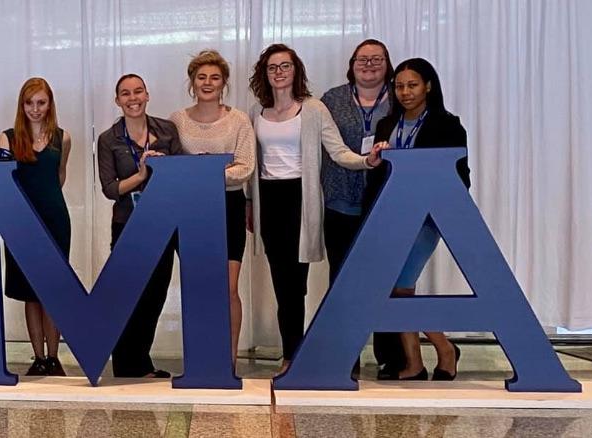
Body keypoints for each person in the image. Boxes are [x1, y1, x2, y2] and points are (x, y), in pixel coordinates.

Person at [246, 43, 382, 374]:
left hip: (300, 200)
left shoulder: (314, 109)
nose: (279, 73)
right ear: (265, 73)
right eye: (272, 67)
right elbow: (251, 163)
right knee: (282, 283)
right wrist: (250, 202)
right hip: (269, 200)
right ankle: (290, 355)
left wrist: (367, 161)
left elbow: (338, 152)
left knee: (298, 283)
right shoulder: (255, 113)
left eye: (285, 66)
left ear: (297, 71)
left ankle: (300, 353)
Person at [366, 58, 469, 381]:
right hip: (391, 215)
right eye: (399, 86)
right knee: (395, 288)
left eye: (412, 85)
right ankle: (416, 361)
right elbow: (379, 173)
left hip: (427, 216)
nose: (405, 92)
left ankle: (443, 349)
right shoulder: (386, 125)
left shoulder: (447, 124)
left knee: (400, 285)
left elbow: (460, 176)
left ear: (428, 86)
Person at [168, 50, 255, 366]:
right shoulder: (177, 120)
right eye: (201, 77)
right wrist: (213, 172)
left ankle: (228, 360)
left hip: (228, 208)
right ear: (192, 82)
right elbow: (173, 166)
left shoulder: (238, 120)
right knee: (199, 286)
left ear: (224, 83)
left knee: (228, 288)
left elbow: (244, 168)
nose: (207, 83)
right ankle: (203, 354)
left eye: (214, 77)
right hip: (190, 211)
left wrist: (203, 174)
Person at [320, 39, 401, 379]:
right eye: (362, 59)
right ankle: (344, 352)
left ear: (388, 64)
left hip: (387, 201)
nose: (369, 64)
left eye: (377, 59)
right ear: (351, 64)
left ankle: (391, 355)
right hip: (339, 201)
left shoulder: (401, 97)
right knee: (342, 279)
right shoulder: (331, 99)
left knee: (383, 280)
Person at [95, 74, 182, 378]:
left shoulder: (167, 131)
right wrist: (142, 173)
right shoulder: (108, 139)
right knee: (127, 295)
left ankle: (140, 362)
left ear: (147, 95)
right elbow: (109, 188)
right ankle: (125, 364)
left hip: (162, 223)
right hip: (127, 223)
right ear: (117, 100)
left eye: (138, 92)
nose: (132, 98)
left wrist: (165, 168)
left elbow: (181, 172)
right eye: (125, 94)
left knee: (155, 295)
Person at [0, 77, 73, 377]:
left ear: (50, 103)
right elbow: (2, 182)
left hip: (54, 219)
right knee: (30, 292)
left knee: (52, 290)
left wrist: (47, 202)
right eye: (30, 103)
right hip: (21, 221)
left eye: (41, 102)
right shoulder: (8, 138)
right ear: (21, 105)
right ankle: (39, 357)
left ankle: (54, 357)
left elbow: (59, 176)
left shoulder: (62, 138)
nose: (35, 109)